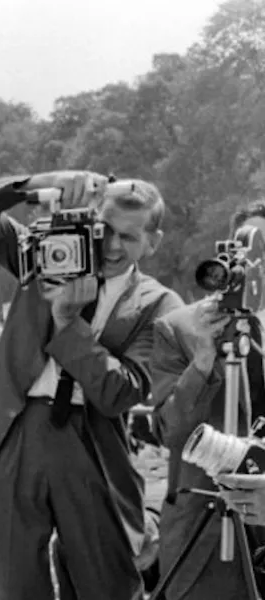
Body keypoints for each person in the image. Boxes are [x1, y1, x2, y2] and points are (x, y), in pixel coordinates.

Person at [0, 170, 182, 600]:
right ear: (92, 219)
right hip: (18, 429)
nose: (112, 247)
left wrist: (67, 323)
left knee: (105, 580)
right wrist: (38, 182)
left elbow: (121, 392)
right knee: (14, 579)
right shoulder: (46, 254)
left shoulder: (161, 305)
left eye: (129, 238)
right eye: (106, 230)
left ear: (154, 242)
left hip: (93, 439)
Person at [149, 200, 265, 598]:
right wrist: (201, 363)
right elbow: (172, 433)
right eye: (245, 249)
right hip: (207, 545)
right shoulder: (180, 328)